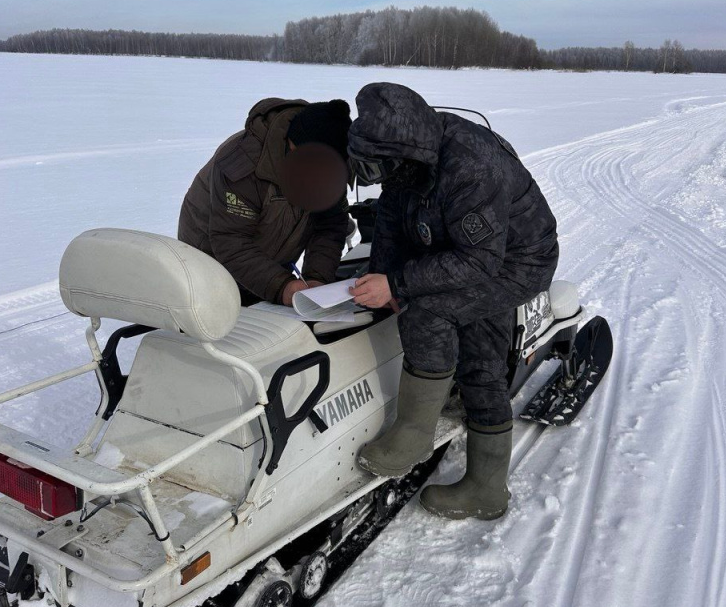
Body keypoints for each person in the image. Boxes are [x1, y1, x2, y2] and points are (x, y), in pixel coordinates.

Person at [348, 83, 558, 521]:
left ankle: (414, 433)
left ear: (405, 152)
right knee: (482, 358)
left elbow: (480, 260)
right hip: (458, 248)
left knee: (428, 310)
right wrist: (382, 274)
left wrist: (399, 284)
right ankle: (486, 490)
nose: (378, 176)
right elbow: (390, 218)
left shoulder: (470, 166)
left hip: (516, 261)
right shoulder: (407, 161)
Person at [178, 98, 351, 306]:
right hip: (208, 261)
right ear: (292, 144)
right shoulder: (244, 163)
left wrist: (317, 278)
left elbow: (330, 225)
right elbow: (230, 239)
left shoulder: (331, 162)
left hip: (267, 257)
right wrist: (281, 286)